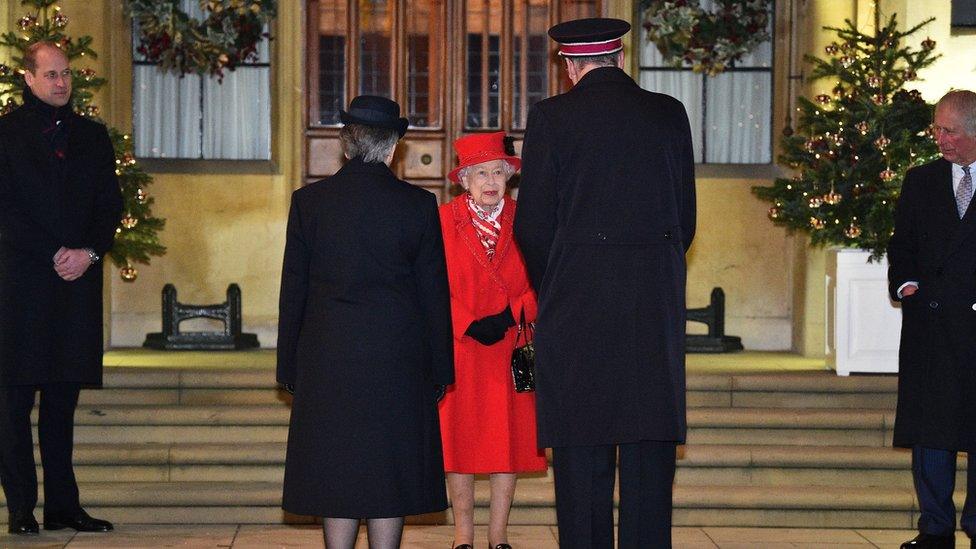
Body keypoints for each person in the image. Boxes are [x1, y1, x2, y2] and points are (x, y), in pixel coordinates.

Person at [513, 18, 696, 549]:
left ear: (570, 66)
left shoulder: (551, 117)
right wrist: (648, 272)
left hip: (578, 306)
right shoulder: (668, 113)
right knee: (647, 455)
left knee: (582, 454)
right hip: (650, 305)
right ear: (619, 58)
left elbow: (532, 224)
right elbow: (684, 217)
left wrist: (564, 279)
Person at [276, 95, 454, 549]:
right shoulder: (417, 205)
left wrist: (288, 368)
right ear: (393, 147)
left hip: (327, 356)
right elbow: (433, 294)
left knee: (336, 465)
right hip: (396, 359)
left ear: (346, 143)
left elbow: (293, 290)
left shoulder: (310, 203)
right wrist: (440, 368)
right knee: (387, 468)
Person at [0, 41, 121, 536]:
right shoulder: (4, 135)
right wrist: (52, 251)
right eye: (50, 74)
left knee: (61, 404)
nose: (60, 83)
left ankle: (63, 506)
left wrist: (89, 252)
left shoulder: (92, 137)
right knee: (11, 405)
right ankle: (22, 508)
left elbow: (108, 206)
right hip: (20, 288)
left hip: (73, 288)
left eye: (65, 74)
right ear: (27, 78)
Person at [437, 132, 547, 549]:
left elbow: (547, 277)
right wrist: (465, 322)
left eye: (498, 172)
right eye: (480, 173)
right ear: (463, 180)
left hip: (510, 346)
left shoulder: (527, 219)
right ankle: (463, 536)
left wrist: (514, 313)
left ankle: (498, 536)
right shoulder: (443, 221)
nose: (490, 181)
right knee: (460, 444)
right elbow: (428, 286)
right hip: (462, 346)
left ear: (508, 178)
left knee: (508, 444)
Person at [889, 89, 976, 549]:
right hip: (932, 325)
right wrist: (904, 282)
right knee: (931, 433)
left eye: (949, 131)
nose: (939, 138)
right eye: (936, 128)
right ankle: (935, 529)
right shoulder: (920, 180)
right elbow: (901, 245)